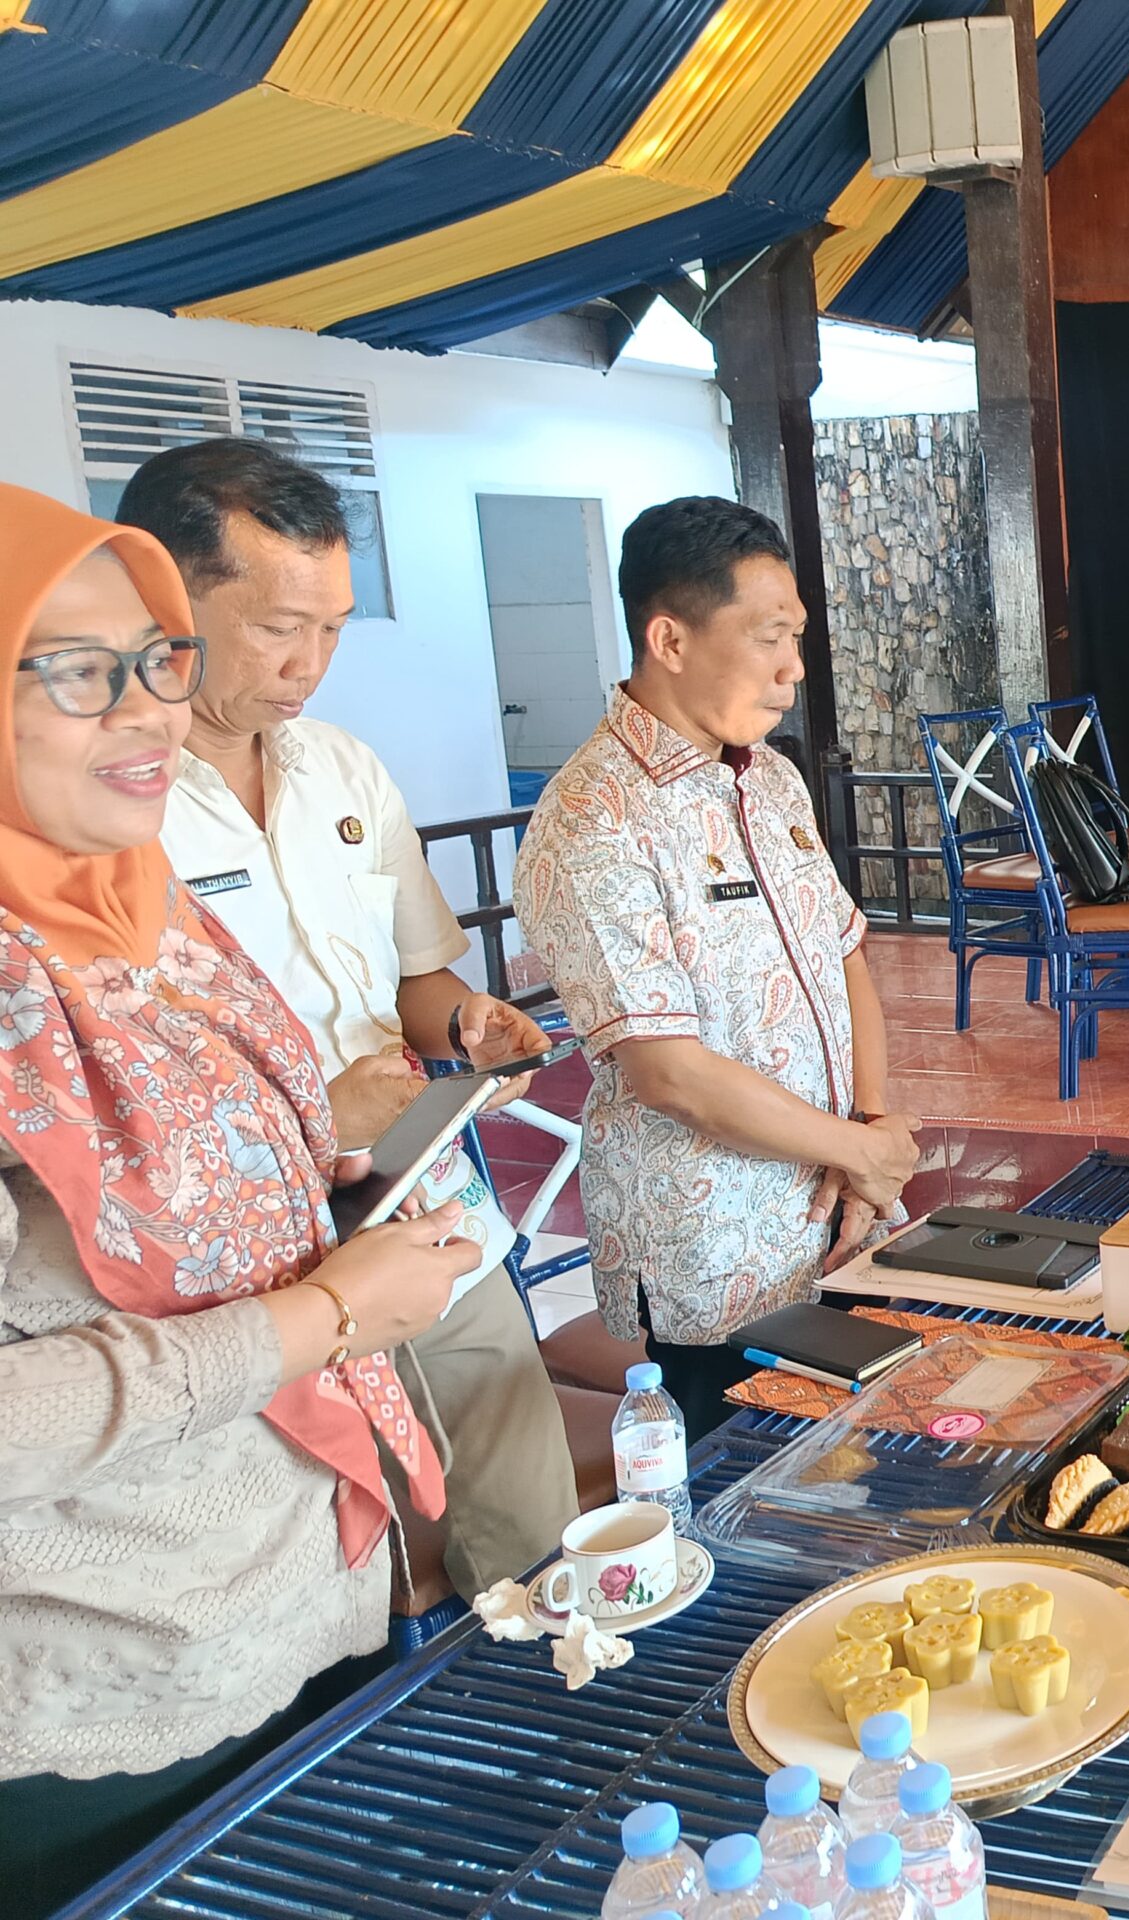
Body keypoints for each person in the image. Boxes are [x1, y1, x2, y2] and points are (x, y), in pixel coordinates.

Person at [0, 485, 476, 1910]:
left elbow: (184, 1179)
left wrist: (322, 1164)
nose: (147, 711)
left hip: (304, 1604)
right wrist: (321, 1318)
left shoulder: (144, 908)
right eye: (75, 672)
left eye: (156, 661)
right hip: (112, 1705)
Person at [125, 439, 577, 1600]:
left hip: (423, 1200)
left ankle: (539, 1667)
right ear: (161, 600)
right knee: (333, 1564)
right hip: (242, 1268)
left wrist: (467, 1023)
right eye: (279, 627)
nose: (310, 664)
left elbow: (418, 980)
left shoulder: (342, 771)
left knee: (525, 1508)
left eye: (332, 627)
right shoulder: (106, 808)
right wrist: (316, 1119)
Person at [515, 497, 918, 1436]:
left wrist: (866, 1135)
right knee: (745, 1481)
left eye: (796, 637)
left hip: (838, 1206)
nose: (793, 668)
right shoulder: (595, 818)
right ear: (670, 639)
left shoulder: (768, 776)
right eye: (769, 637)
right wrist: (856, 1152)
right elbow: (668, 1071)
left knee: (859, 1459)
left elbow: (843, 955)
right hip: (714, 1254)